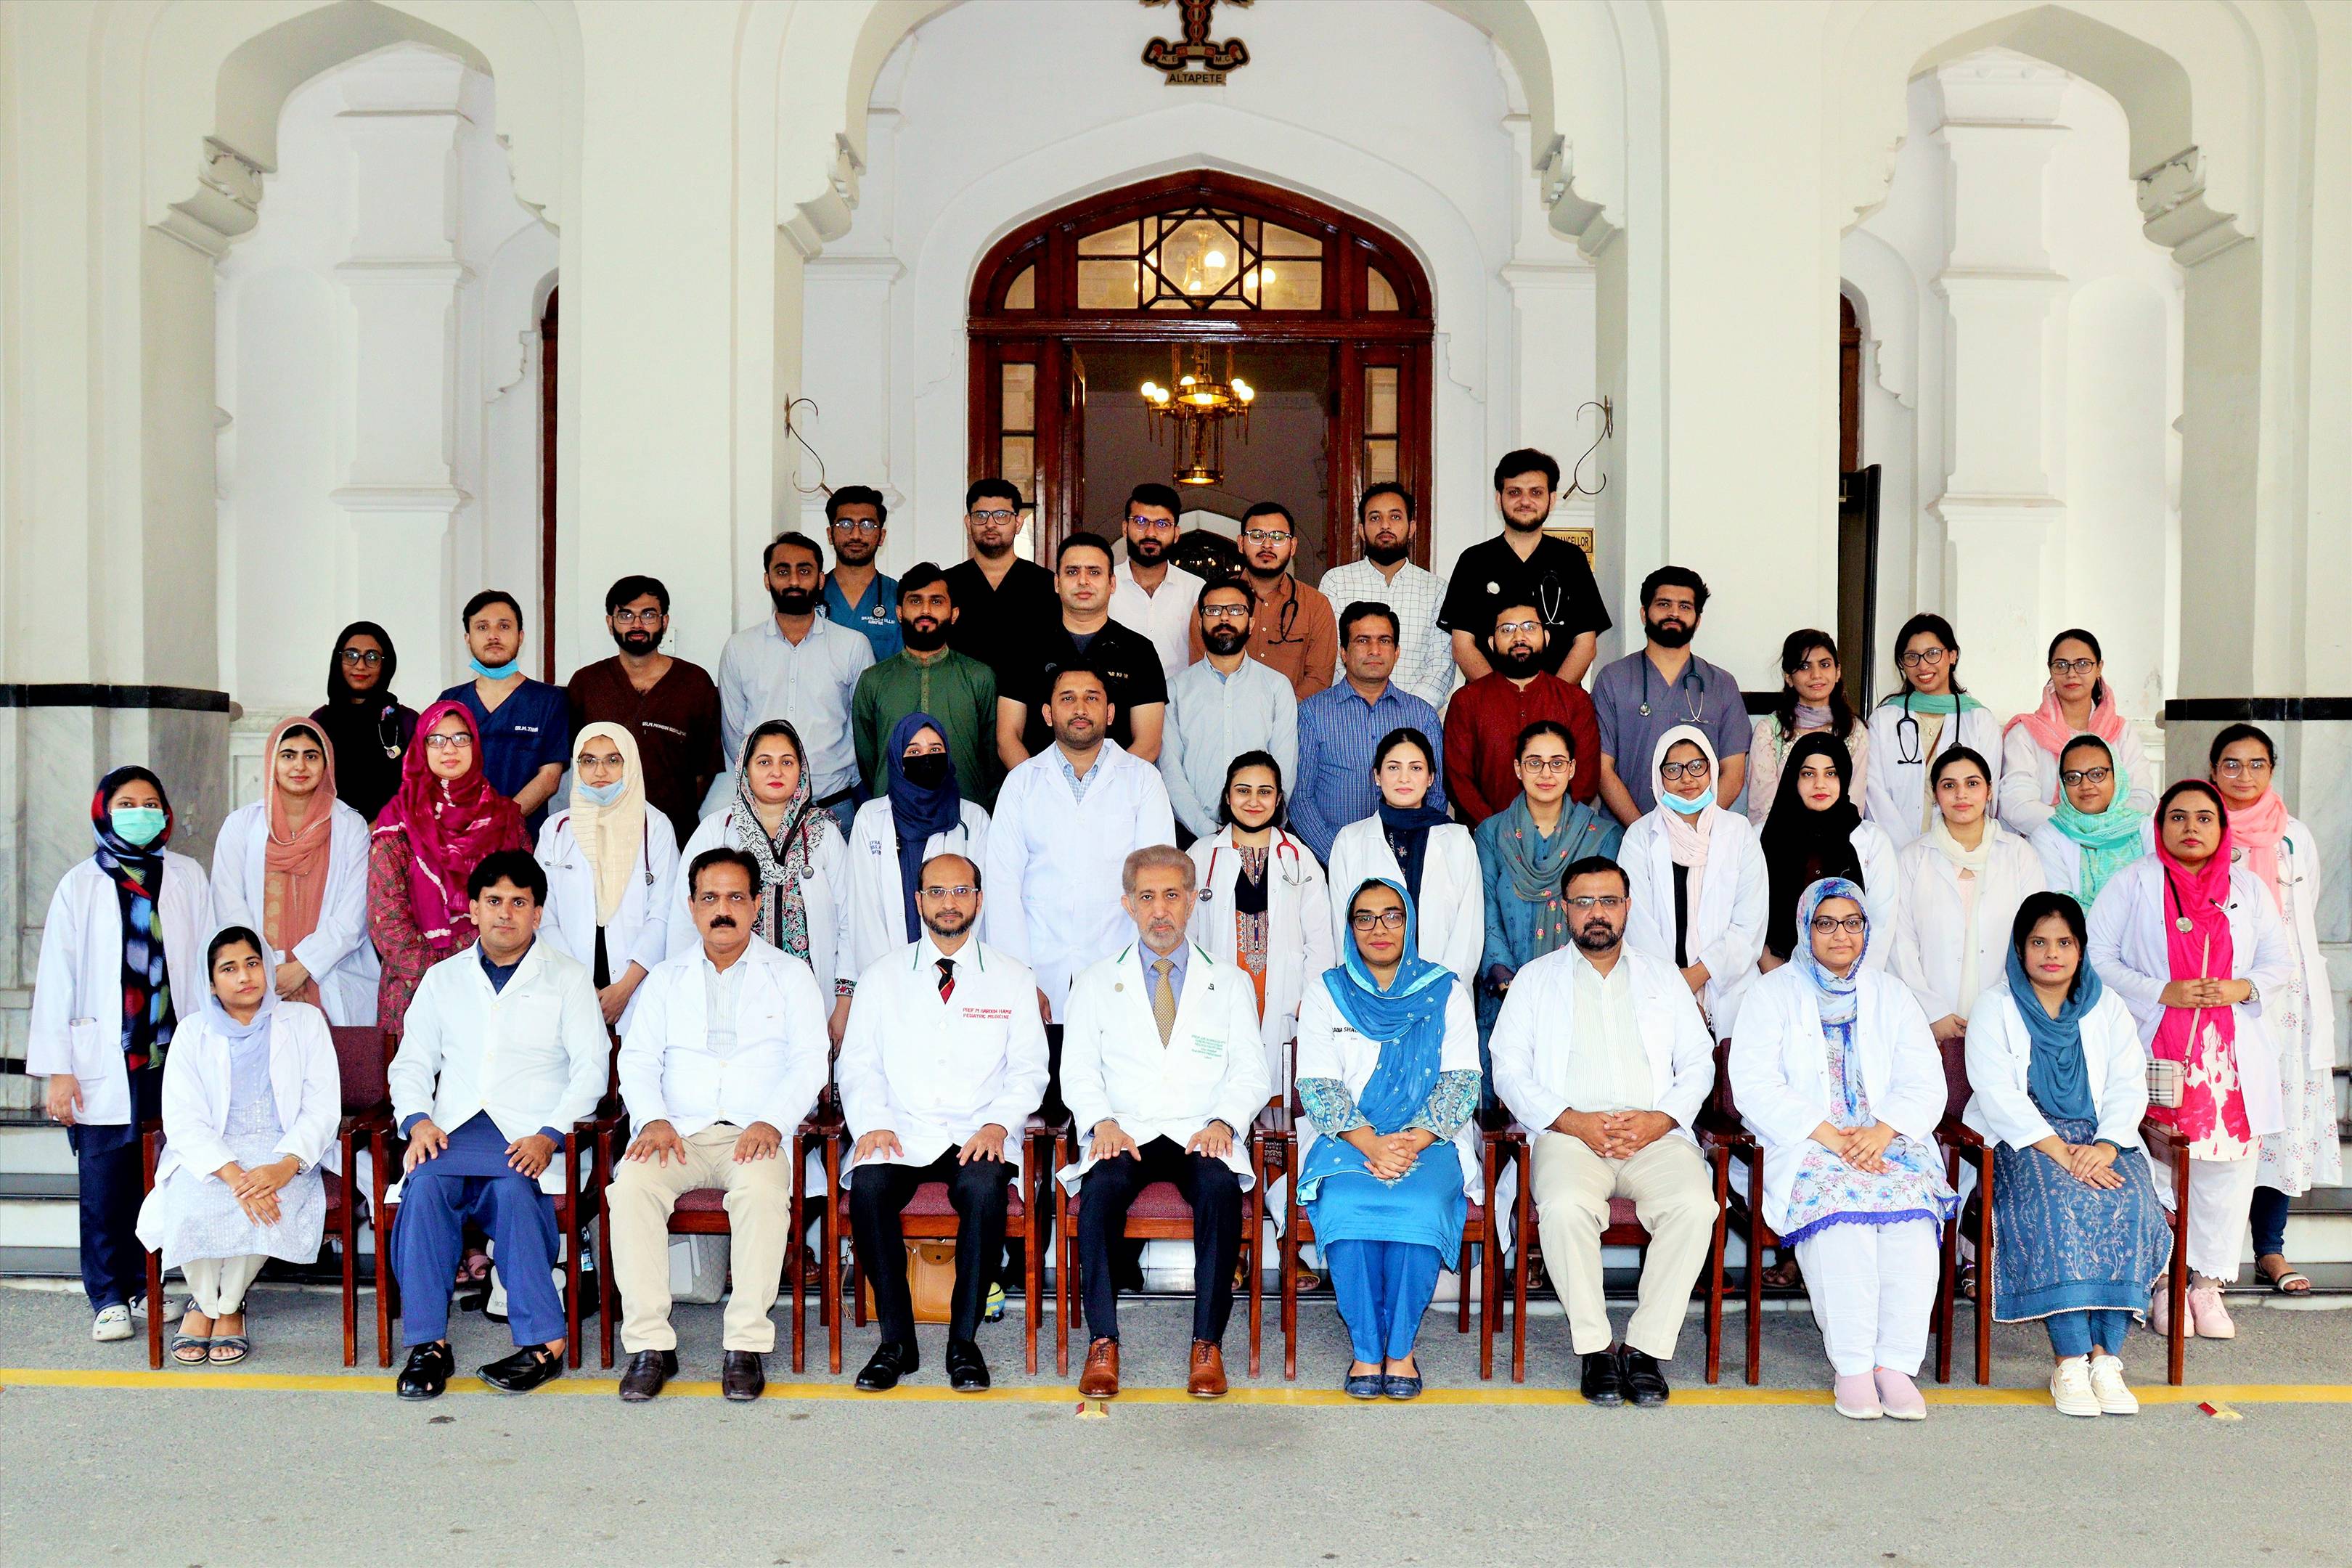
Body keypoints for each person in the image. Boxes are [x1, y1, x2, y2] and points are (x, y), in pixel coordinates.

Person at [1490, 858, 1718, 1408]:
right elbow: (1508, 1068)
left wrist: (1660, 1120)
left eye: (1609, 902)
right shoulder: (1534, 980)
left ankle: (1644, 1349)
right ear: (1564, 909)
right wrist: (1573, 1121)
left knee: (1694, 1205)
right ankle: (1595, 1349)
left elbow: (1699, 1062)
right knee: (1566, 1207)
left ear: (1628, 908)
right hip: (1569, 1135)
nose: (1598, 914)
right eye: (1585, 902)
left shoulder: (1663, 977)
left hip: (1655, 1134)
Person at [607, 847, 830, 1403]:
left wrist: (774, 1122)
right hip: (676, 1134)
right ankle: (650, 1346)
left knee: (759, 1192)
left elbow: (811, 1059)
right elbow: (636, 1059)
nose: (723, 910)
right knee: (630, 1188)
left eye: (736, 897)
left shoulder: (790, 975)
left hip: (754, 1135)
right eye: (710, 898)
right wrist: (652, 1119)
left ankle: (745, 1345)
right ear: (691, 907)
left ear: (757, 904)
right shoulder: (664, 979)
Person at [1728, 878, 1956, 1420]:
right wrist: (1830, 1135)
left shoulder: (1892, 994)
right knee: (1844, 1223)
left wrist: (1882, 1131)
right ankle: (1853, 1366)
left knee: (1911, 1221)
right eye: (1825, 923)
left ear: (1867, 930)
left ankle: (1895, 1366)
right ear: (1806, 930)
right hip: (1809, 1145)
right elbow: (1754, 1083)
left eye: (1852, 923)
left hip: (1888, 1143)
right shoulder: (1771, 992)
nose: (1840, 935)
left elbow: (1926, 1081)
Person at [385, 851, 608, 1400]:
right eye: (493, 901)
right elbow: (411, 1063)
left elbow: (592, 1068)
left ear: (537, 914)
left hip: (527, 1139)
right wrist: (416, 1120)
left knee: (512, 1193)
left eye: (519, 902)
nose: (505, 913)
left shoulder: (568, 978)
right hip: (451, 1133)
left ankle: (543, 1344)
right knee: (427, 1189)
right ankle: (428, 1346)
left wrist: (550, 1133)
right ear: (472, 909)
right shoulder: (442, 979)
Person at [1060, 846, 1270, 1400]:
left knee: (1220, 1190)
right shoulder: (1096, 980)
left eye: (1172, 896)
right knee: (1100, 1192)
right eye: (1147, 897)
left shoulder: (1227, 981)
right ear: (1127, 903)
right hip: (1124, 1130)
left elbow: (1252, 1068)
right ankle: (1103, 1341)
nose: (1160, 911)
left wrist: (1226, 1119)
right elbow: (1077, 1068)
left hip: (1201, 1130)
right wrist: (1100, 1121)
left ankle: (1208, 1344)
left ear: (1192, 901)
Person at [2086, 780, 2292, 1340]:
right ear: (2160, 826)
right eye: (2178, 817)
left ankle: (2207, 1285)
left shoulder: (2248, 888)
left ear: (2222, 829)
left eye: (2204, 817)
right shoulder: (2132, 883)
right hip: (2155, 1045)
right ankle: (2163, 1283)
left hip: (2228, 1058)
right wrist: (2160, 990)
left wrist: (2240, 987)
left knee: (2225, 1171)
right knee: (2157, 1168)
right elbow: (2097, 958)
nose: (2191, 827)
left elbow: (2279, 960)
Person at [838, 853, 1050, 1393]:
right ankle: (896, 1343)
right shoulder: (881, 977)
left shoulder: (1012, 978)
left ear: (979, 900)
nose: (949, 902)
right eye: (936, 892)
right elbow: (858, 1064)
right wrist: (873, 1123)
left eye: (960, 891)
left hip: (977, 1131)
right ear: (918, 902)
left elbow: (1030, 1070)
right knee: (869, 1186)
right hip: (900, 1127)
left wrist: (1000, 1125)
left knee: (984, 1189)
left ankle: (964, 1342)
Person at [1964, 894, 2169, 1417]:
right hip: (2026, 1139)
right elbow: (1995, 1093)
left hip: (2104, 1137)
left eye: (2064, 942)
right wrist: (2060, 1152)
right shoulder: (1996, 1005)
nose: (2051, 954)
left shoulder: (2108, 1005)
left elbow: (2128, 1083)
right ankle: (2070, 1360)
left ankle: (2107, 1359)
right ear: (2019, 947)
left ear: (2080, 950)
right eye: (2039, 942)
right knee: (2056, 1209)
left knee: (2132, 1205)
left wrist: (2103, 1146)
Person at [30, 766, 210, 1342]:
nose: (140, 811)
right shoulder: (79, 884)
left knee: (164, 1175)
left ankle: (147, 1286)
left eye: (150, 802)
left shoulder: (185, 876)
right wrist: (59, 1071)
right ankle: (109, 1294)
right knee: (106, 1180)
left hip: (171, 1052)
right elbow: (56, 981)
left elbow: (206, 964)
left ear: (165, 814)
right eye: (127, 802)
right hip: (102, 1059)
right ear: (105, 810)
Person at [1294, 879, 1484, 1399]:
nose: (1379, 929)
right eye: (1365, 918)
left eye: (1392, 916)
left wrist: (1410, 1142)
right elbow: (1318, 1083)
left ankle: (1399, 1349)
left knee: (1418, 1209)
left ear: (1411, 923)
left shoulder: (1445, 989)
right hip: (1345, 1137)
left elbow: (1461, 1080)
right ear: (1350, 927)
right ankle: (1365, 1349)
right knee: (1350, 1205)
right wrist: (1373, 1144)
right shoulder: (1325, 992)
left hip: (1430, 1137)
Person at [136, 926, 339, 1366]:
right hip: (212, 1151)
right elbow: (184, 1117)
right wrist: (231, 1173)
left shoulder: (303, 1021)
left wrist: (286, 1166)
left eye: (252, 964)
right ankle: (211, 1303)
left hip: (284, 1147)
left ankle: (223, 1307)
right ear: (211, 983)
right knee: (192, 1199)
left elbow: (323, 1106)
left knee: (271, 1198)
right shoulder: (192, 1033)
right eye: (229, 969)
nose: (245, 976)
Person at [2207, 724, 2338, 1299]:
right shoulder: (2200, 827)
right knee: (2223, 1116)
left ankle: (2270, 1248)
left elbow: (2300, 912)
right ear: (2213, 771)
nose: (2244, 776)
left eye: (2256, 764)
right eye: (2231, 765)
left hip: (2286, 1000)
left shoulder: (2295, 837)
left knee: (2278, 1119)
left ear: (2272, 770)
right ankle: (2204, 1256)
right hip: (2221, 992)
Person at [985, 664, 1178, 1036]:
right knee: (1042, 1084)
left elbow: (1157, 885)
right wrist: (1019, 978)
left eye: (1092, 698)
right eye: (1067, 698)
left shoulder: (1143, 780)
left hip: (1119, 964)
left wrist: (1145, 971)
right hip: (1038, 967)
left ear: (1110, 713)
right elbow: (1002, 884)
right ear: (1047, 713)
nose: (1080, 708)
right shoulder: (1021, 783)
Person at [674, 722, 855, 1045]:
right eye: (764, 762)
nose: (777, 771)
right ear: (744, 769)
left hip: (812, 999)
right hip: (731, 994)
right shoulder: (716, 831)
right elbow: (683, 919)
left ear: (801, 770)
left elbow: (850, 922)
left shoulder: (824, 834)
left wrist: (843, 1004)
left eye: (787, 762)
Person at [367, 700, 529, 1029]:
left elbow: (520, 902)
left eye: (460, 738)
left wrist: (479, 971)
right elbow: (387, 923)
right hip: (415, 992)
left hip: (497, 985)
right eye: (436, 739)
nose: (449, 749)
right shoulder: (397, 821)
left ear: (475, 744)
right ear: (421, 748)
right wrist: (445, 979)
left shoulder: (506, 819)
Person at [211, 719, 377, 1026]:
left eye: (311, 756)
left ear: (326, 764)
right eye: (288, 755)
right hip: (259, 979)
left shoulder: (350, 826)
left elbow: (354, 914)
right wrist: (270, 970)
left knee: (338, 1070)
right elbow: (229, 905)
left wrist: (303, 968)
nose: (299, 766)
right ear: (271, 762)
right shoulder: (241, 825)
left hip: (333, 978)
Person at [1185, 753, 1334, 1088]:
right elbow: (1187, 940)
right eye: (1243, 790)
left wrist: (1309, 999)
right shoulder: (1200, 856)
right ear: (1227, 796)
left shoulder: (1299, 858)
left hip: (1285, 997)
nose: (1254, 801)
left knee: (1278, 1100)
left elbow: (1321, 939)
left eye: (1265, 792)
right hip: (1216, 996)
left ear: (1279, 799)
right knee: (1220, 1091)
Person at [1473, 721, 1622, 1047]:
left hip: (1578, 991)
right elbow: (1485, 906)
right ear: (1517, 768)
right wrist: (1506, 980)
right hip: (1504, 990)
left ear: (1571, 769)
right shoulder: (1491, 834)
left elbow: (1606, 913)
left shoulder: (1602, 837)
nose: (1545, 773)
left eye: (1557, 763)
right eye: (1534, 762)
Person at [716, 531, 876, 833]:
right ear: (767, 580)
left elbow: (863, 731)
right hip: (760, 812)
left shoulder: (852, 646)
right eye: (782, 571)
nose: (793, 581)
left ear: (820, 579)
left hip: (834, 805)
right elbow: (735, 734)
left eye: (804, 571)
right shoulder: (740, 649)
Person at [1890, 747, 2046, 1047]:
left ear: (1989, 791)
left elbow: (2034, 938)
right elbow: (1900, 943)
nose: (1961, 794)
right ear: (1935, 795)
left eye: (1972, 783)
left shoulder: (2019, 855)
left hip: (2006, 1015)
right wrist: (1932, 1013)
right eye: (1949, 785)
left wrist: (1998, 1008)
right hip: (1927, 1022)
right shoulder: (1913, 858)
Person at [1617, 726, 1768, 1032]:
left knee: (1730, 1075)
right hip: (1658, 992)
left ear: (1712, 768)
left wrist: (1695, 977)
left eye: (1697, 766)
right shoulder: (1640, 837)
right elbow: (1636, 922)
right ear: (1658, 776)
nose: (1687, 778)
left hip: (1730, 992)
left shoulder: (1739, 833)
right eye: (1673, 769)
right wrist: (1676, 989)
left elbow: (1749, 925)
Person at [534, 723, 680, 1033]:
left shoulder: (654, 826)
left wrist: (625, 988)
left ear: (630, 763)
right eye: (589, 761)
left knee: (634, 1072)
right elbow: (544, 915)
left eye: (613, 760)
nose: (600, 770)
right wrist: (579, 984)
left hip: (637, 982)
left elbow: (665, 913)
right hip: (570, 979)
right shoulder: (555, 830)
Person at [565, 574, 722, 844]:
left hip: (675, 834)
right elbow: (576, 763)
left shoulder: (695, 683)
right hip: (600, 833)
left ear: (665, 621)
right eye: (625, 615)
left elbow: (704, 770)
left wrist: (666, 814)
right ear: (610, 623)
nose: (637, 624)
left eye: (648, 615)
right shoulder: (586, 684)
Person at [1289, 602, 1447, 862]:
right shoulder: (1312, 714)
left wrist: (1404, 855)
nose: (1375, 650)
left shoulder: (1422, 717)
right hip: (1331, 865)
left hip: (1408, 863)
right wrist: (1341, 859)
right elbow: (1301, 799)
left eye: (1384, 641)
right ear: (1343, 652)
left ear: (1397, 652)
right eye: (1363, 640)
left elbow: (1437, 795)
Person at [1591, 568, 1748, 826]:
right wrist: (1643, 832)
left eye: (1685, 606)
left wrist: (1696, 828)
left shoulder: (1722, 685)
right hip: (1625, 834)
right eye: (1664, 604)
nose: (1674, 613)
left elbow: (1733, 773)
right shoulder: (1613, 680)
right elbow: (1602, 770)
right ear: (1645, 614)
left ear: (1697, 620)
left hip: (1702, 839)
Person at [1437, 449, 1609, 685]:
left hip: (1558, 708)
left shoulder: (1571, 559)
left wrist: (1551, 700)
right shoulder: (1474, 561)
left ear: (1552, 499)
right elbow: (1462, 645)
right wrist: (1501, 700)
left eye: (1536, 493)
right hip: (1489, 707)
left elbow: (1586, 643)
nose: (1525, 501)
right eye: (1515, 492)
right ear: (1499, 499)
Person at [1327, 728, 1482, 988]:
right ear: (1377, 775)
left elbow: (1469, 930)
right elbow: (1342, 929)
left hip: (1444, 994)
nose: (1404, 778)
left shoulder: (1458, 840)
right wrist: (1369, 989)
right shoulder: (1350, 841)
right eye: (1393, 768)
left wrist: (1444, 988)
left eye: (1416, 768)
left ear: (1431, 777)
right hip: (1372, 995)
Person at [998, 531, 1168, 768]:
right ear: (1057, 583)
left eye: (1094, 572)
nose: (1083, 581)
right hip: (1040, 796)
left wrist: (1104, 791)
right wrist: (1037, 787)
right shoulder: (1024, 648)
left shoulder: (1139, 651)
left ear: (1112, 583)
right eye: (1072, 571)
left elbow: (1148, 743)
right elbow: (1008, 738)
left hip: (1116, 796)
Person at [842, 714, 991, 982]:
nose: (926, 758)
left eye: (935, 750)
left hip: (958, 975)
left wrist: (954, 971)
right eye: (914, 751)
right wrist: (887, 979)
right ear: (898, 760)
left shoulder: (974, 819)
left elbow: (979, 905)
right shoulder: (870, 818)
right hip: (888, 978)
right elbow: (864, 911)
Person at [850, 562, 1001, 808]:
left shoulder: (979, 677)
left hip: (964, 815)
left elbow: (991, 760)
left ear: (954, 614)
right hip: (892, 817)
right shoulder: (873, 681)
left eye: (937, 601)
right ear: (899, 612)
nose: (926, 610)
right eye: (916, 601)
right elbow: (869, 761)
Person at [1160, 579, 1299, 842]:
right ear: (1200, 623)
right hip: (1192, 836)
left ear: (1252, 623)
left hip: (1262, 834)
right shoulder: (1175, 690)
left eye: (1236, 610)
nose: (1224, 618)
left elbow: (1284, 769)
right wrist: (1206, 831)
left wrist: (1257, 824)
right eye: (1213, 611)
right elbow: (1170, 770)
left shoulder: (1277, 687)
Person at [1443, 600, 1602, 825]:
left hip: (1562, 839)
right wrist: (1494, 829)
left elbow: (1585, 777)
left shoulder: (1575, 701)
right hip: (1484, 837)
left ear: (1546, 638)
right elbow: (1457, 778)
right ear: (1492, 643)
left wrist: (1553, 826)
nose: (1519, 637)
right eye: (1507, 630)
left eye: (1530, 627)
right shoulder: (1466, 701)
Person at [1755, 735, 1900, 976]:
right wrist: (1781, 981)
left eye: (1831, 773)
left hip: (1852, 984)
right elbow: (1752, 921)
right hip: (1775, 979)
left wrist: (1843, 986)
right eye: (1808, 774)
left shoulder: (1872, 840)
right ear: (1794, 778)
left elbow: (1881, 925)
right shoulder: (1764, 838)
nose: (1820, 784)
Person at [1864, 612, 2002, 852]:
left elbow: (1987, 794)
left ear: (1952, 655)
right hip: (1893, 851)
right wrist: (1908, 851)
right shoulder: (1884, 719)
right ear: (1902, 662)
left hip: (1961, 851)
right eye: (1912, 657)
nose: (1923, 665)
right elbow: (1874, 794)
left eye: (1933, 654)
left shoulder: (1980, 720)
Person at [1998, 629, 2154, 836]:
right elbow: (2017, 805)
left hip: (2113, 843)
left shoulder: (2121, 732)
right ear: (2050, 670)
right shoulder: (2025, 733)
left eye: (2083, 664)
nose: (2071, 673)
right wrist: (2077, 829)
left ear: (2099, 668)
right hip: (2046, 847)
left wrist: (2102, 829)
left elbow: (2142, 796)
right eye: (2061, 665)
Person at [438, 589, 570, 832]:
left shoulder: (549, 700)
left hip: (522, 841)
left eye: (504, 626)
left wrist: (497, 824)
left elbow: (549, 779)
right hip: (458, 841)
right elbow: (436, 775)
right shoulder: (450, 701)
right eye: (482, 627)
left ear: (521, 636)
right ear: (468, 638)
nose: (493, 636)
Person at [1317, 483, 1453, 709]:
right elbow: (1331, 658)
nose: (1386, 526)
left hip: (1414, 725)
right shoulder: (1336, 582)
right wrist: (1357, 709)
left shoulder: (1437, 589)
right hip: (1349, 717)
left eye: (1396, 517)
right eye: (1375, 518)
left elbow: (1440, 667)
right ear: (1361, 530)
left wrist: (1405, 713)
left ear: (1412, 528)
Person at [1191, 500, 1337, 701]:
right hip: (1222, 721)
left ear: (1293, 546)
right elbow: (1199, 670)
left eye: (1278, 537)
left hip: (1292, 724)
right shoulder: (1212, 601)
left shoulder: (1315, 605)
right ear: (1241, 543)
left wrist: (1280, 713)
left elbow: (1319, 678)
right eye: (1257, 536)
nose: (1267, 545)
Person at [943, 478, 1060, 695]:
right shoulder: (946, 585)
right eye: (981, 516)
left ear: (1018, 523)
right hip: (962, 706)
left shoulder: (1045, 585)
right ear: (968, 523)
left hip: (1028, 708)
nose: (990, 524)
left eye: (1001, 515)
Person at [1745, 630, 1869, 828]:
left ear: (1838, 672)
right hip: (1780, 844)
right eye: (1804, 666)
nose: (1816, 675)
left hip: (1839, 843)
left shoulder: (1854, 730)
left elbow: (1854, 804)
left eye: (1825, 665)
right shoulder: (1770, 731)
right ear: (1789, 678)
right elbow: (1762, 810)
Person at [311, 620, 418, 823]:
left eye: (372, 657)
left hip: (392, 837)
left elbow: (419, 788)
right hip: (332, 835)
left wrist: (380, 827)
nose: (360, 665)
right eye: (351, 656)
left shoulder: (405, 721)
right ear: (338, 660)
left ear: (386, 664)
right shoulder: (320, 722)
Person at [2025, 735, 2151, 902]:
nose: (2086, 785)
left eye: (2097, 774)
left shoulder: (2145, 829)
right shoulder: (2048, 835)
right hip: (2076, 927)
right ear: (2062, 784)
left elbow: (2159, 895)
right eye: (2073, 778)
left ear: (2117, 776)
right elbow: (2060, 904)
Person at [1106, 482, 1204, 683]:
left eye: (1162, 524)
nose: (1150, 533)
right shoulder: (1104, 587)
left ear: (1176, 533)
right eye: (1140, 521)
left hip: (1178, 710)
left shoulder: (1196, 591)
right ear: (1125, 528)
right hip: (1115, 707)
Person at [820, 486, 902, 663]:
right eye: (845, 524)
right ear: (830, 535)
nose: (856, 535)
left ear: (881, 536)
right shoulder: (811, 595)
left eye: (867, 525)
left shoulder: (899, 596)